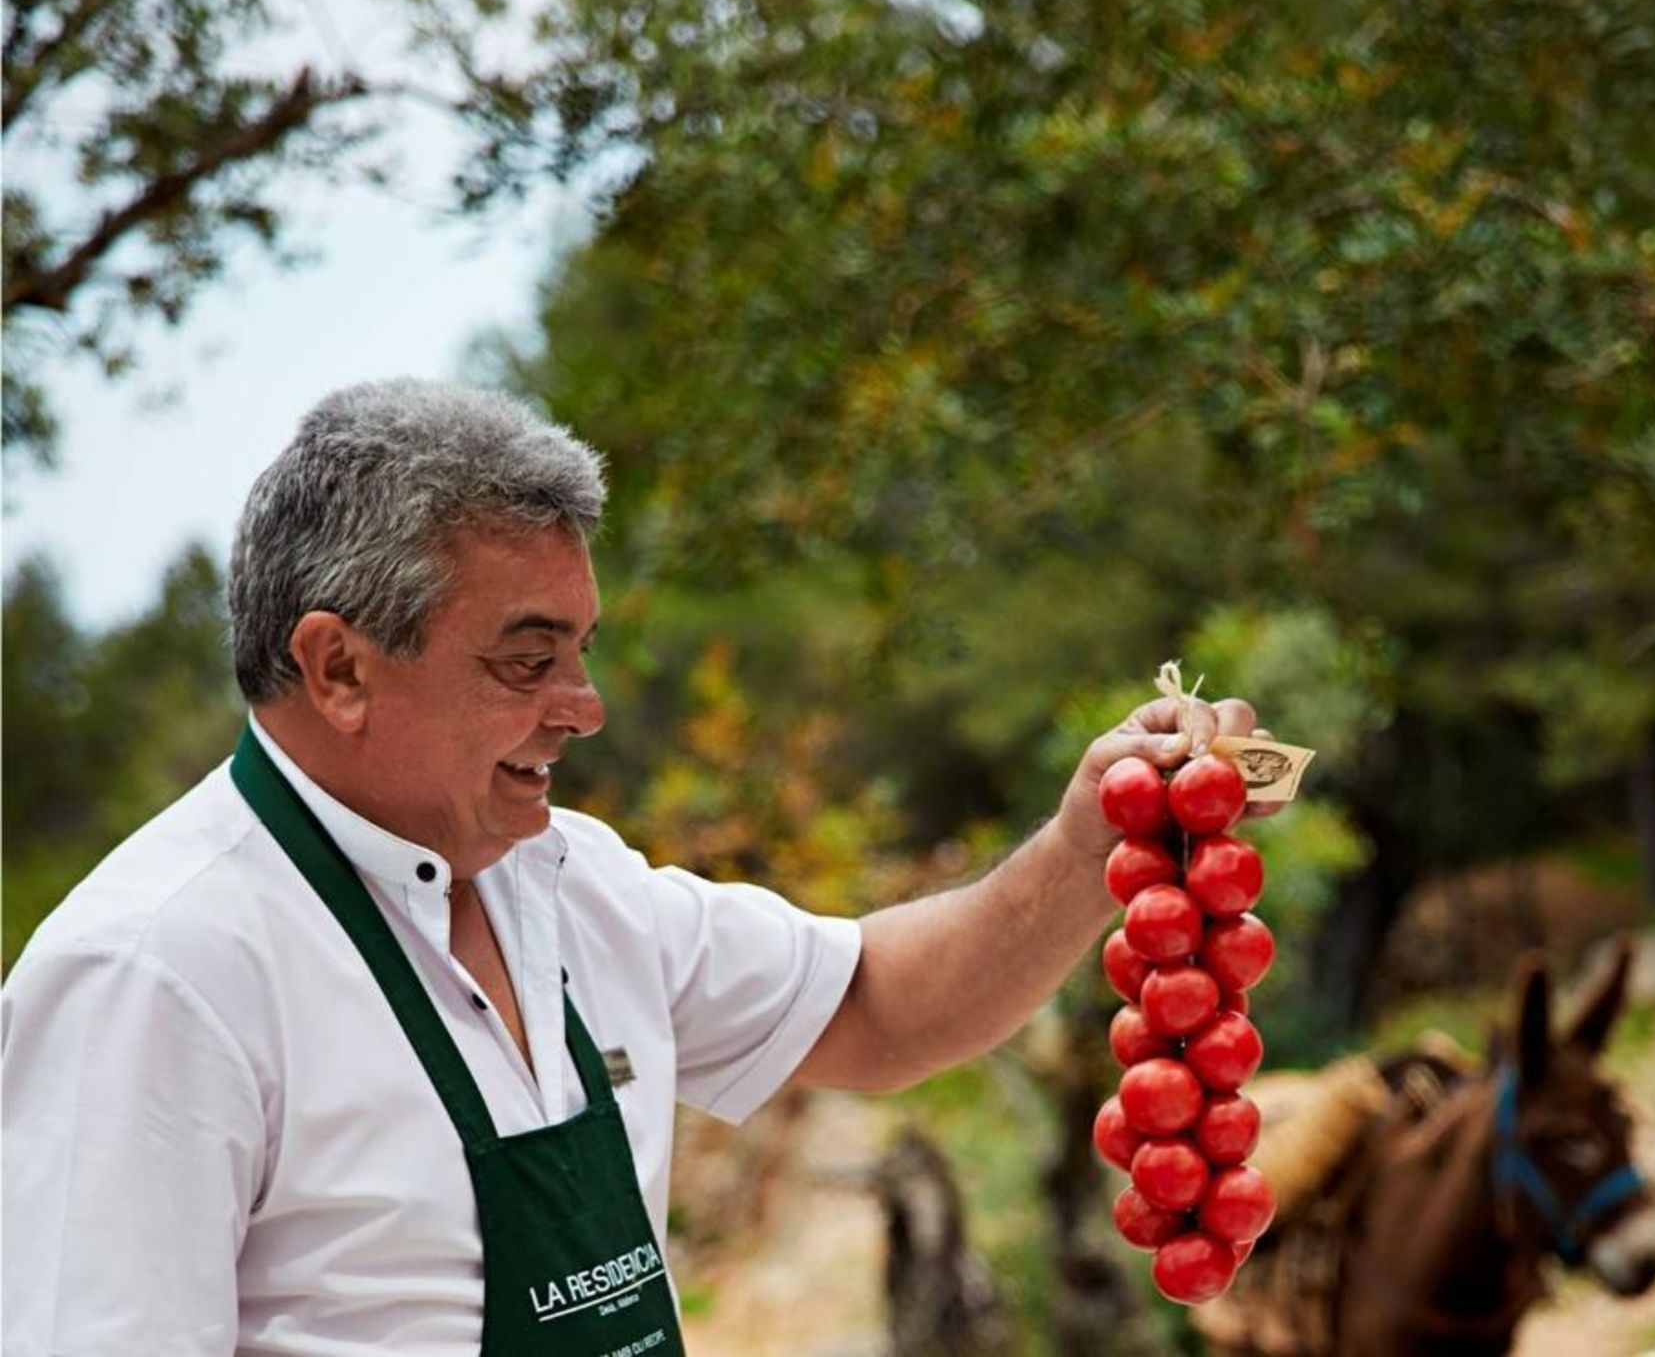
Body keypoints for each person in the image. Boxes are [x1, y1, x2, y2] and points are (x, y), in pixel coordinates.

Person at [1, 379, 1269, 1356]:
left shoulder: (567, 882)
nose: (585, 706)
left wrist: (1079, 844)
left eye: (583, 649)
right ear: (338, 668)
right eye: (527, 657)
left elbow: (882, 1009)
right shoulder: (156, 972)